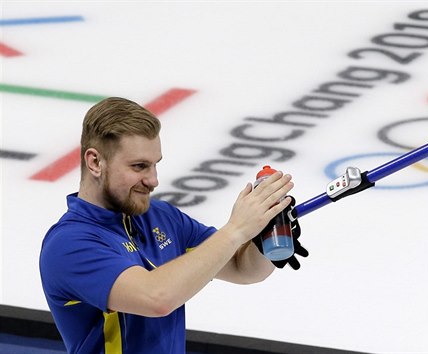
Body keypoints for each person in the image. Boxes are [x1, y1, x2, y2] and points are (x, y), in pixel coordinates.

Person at [39, 97, 307, 353]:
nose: (153, 180)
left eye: (155, 165)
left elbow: (242, 269)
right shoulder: (69, 245)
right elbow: (157, 298)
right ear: (95, 162)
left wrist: (266, 239)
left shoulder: (161, 216)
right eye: (139, 166)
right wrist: (237, 229)